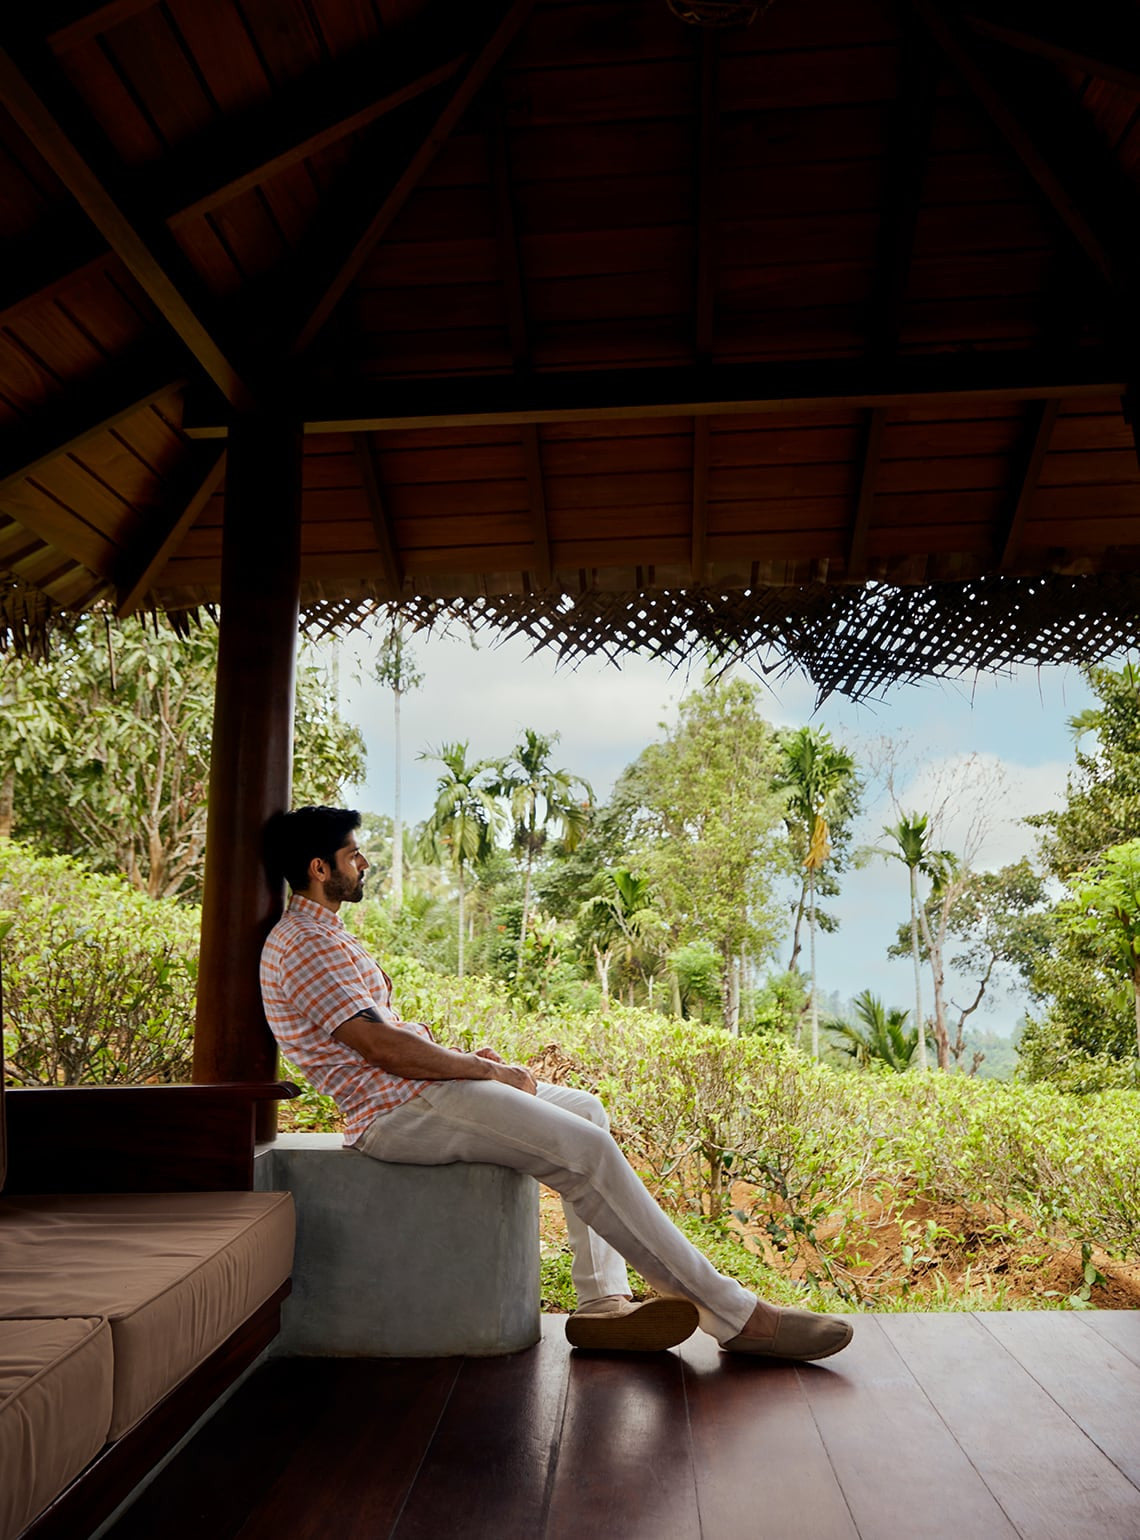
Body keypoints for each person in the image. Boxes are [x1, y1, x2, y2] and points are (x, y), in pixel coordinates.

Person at [259, 805, 853, 1360]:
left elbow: (386, 1038)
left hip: (420, 1092)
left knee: (586, 1111)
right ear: (319, 868)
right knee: (585, 1151)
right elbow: (381, 1047)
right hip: (398, 1110)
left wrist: (466, 1059)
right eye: (353, 854)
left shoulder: (327, 934)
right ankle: (738, 1317)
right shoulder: (306, 943)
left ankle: (600, 1303)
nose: (363, 863)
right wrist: (487, 1070)